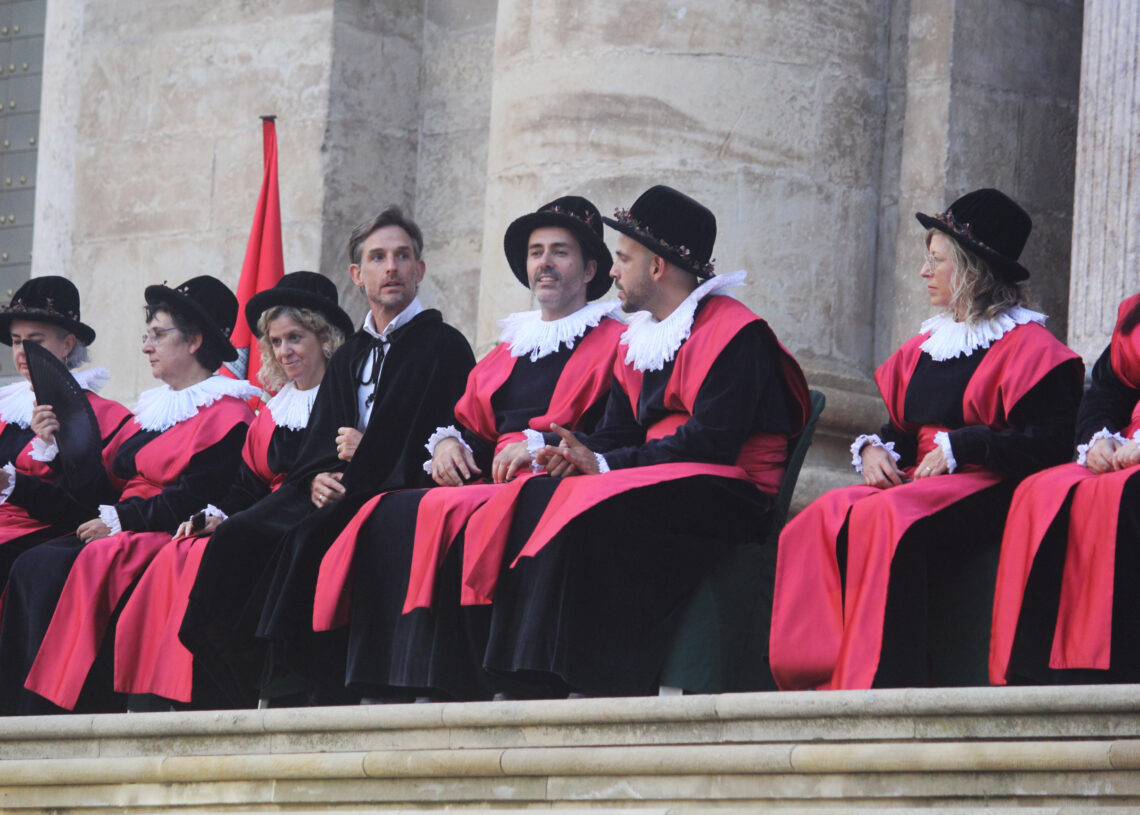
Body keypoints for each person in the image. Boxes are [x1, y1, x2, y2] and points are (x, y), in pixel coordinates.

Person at [460, 185, 810, 698]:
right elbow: (618, 434)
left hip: (731, 489)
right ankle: (526, 673)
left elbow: (710, 442)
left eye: (622, 259)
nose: (614, 271)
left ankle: (598, 677)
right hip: (667, 472)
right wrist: (570, 452)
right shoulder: (641, 336)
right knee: (543, 494)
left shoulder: (739, 333)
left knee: (599, 513)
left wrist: (604, 464)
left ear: (658, 267)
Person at [769, 188, 1084, 692]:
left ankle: (885, 684)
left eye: (937, 259)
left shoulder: (1035, 349)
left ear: (974, 270)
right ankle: (815, 676)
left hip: (991, 485)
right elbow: (900, 430)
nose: (923, 271)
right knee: (819, 518)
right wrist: (874, 449)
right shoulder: (927, 345)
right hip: (921, 480)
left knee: (889, 518)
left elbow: (1049, 446)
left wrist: (968, 446)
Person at [312, 196, 624, 701]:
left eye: (560, 252)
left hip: (557, 474)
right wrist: (447, 445)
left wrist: (540, 443)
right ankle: (409, 675)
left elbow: (617, 430)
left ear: (590, 268)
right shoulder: (509, 348)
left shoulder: (618, 341)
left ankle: (517, 675)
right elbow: (469, 422)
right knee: (399, 507)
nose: (544, 262)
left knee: (513, 506)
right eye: (535, 252)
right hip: (495, 477)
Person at [181, 206, 475, 707]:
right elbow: (321, 442)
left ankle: (303, 682)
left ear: (419, 270)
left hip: (399, 486)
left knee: (308, 539)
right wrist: (315, 477)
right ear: (358, 275)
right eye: (378, 258)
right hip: (338, 488)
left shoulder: (444, 345)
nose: (392, 268)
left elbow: (445, 431)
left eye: (403, 256)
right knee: (240, 535)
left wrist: (369, 457)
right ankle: (246, 682)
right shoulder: (351, 356)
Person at [0, 275, 260, 715]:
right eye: (148, 335)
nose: (146, 346)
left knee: (45, 564)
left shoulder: (230, 413)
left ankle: (67, 709)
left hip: (159, 532)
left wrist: (122, 520)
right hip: (125, 525)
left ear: (195, 341)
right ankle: (21, 711)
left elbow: (195, 495)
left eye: (158, 335)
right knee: (33, 565)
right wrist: (54, 454)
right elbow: (98, 491)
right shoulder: (154, 410)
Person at [112, 272, 352, 709]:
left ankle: (245, 683)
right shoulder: (273, 409)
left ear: (323, 337)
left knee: (232, 544)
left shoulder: (342, 398)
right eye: (276, 342)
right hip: (268, 509)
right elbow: (247, 484)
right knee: (181, 548)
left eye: (295, 337)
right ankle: (172, 689)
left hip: (309, 512)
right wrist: (214, 514)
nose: (285, 351)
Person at [990, 293, 1140, 685]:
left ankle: (1119, 670)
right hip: (1125, 451)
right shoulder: (1136, 317)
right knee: (1042, 491)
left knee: (1126, 497)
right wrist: (1096, 440)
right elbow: (1106, 390)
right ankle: (1037, 674)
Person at [0, 276, 133, 582]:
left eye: (35, 340)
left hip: (44, 534)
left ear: (67, 344)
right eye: (17, 341)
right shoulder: (7, 406)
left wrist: (13, 483)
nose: (22, 352)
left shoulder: (107, 417)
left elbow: (87, 506)